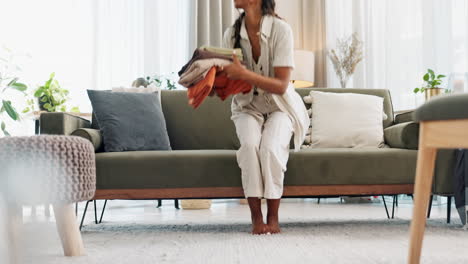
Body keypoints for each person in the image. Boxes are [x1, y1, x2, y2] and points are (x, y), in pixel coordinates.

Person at [219, 0, 310, 234]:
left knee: (270, 149)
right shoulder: (231, 34)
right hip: (247, 107)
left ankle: (273, 217)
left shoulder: (281, 30)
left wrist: (243, 74)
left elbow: (281, 86)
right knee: (249, 147)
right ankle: (256, 218)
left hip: (280, 106)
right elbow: (229, 84)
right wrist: (208, 83)